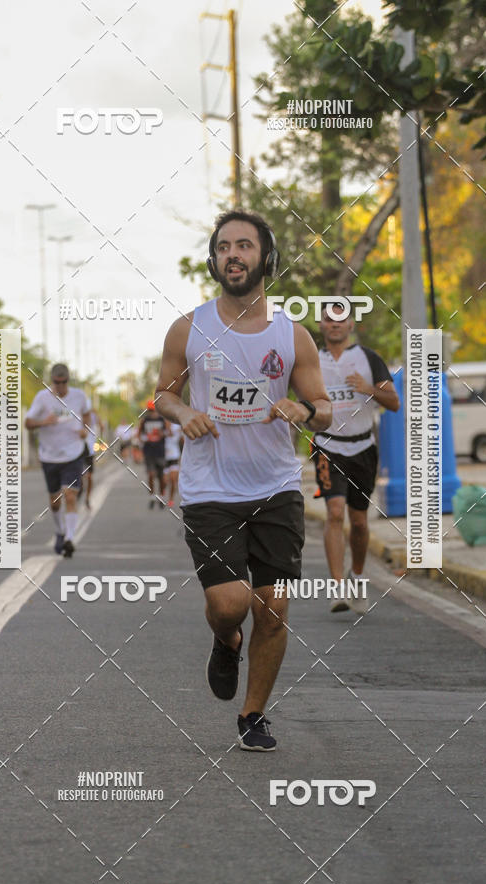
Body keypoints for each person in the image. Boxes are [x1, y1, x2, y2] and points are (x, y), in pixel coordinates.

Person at [155, 209, 332, 751]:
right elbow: (163, 394)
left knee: (273, 609)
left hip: (276, 486)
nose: (233, 254)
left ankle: (253, 715)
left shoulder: (292, 336)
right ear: (214, 260)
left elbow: (324, 407)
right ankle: (226, 639)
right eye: (224, 247)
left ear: (265, 258)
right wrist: (183, 414)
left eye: (245, 246)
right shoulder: (189, 328)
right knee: (231, 604)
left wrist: (303, 410)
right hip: (210, 487)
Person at [310, 302, 400, 613]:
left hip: (363, 449)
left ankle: (357, 579)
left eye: (340, 319)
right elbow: (303, 402)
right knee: (335, 513)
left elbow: (394, 403)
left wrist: (367, 388)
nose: (334, 324)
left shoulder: (368, 358)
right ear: (321, 325)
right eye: (328, 319)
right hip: (327, 446)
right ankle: (337, 588)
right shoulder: (311, 360)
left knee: (359, 522)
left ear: (351, 325)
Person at [25, 364, 91, 558]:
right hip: (49, 456)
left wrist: (84, 430)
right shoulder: (42, 398)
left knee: (69, 495)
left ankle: (70, 539)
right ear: (51, 381)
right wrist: (44, 422)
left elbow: (87, 414)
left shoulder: (79, 396)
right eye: (56, 383)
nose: (60, 386)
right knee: (55, 502)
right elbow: (28, 423)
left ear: (68, 381)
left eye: (64, 383)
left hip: (73, 454)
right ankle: (60, 531)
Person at [138, 400, 169, 509]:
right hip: (149, 452)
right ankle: (152, 497)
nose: (152, 413)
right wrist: (144, 439)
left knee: (161, 477)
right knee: (151, 474)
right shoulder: (144, 421)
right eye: (150, 411)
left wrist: (162, 433)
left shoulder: (162, 420)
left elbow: (168, 432)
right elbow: (139, 435)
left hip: (160, 451)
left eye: (153, 410)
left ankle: (161, 497)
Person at [82, 408, 101, 510]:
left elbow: (101, 425)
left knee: (89, 476)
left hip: (89, 451)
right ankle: (78, 493)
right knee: (79, 476)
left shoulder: (93, 417)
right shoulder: (76, 416)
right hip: (77, 451)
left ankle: (87, 498)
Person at [164, 421, 183, 507]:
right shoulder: (161, 425)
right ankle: (162, 492)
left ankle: (171, 499)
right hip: (164, 456)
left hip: (174, 455)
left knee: (173, 480)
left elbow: (182, 439)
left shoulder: (177, 426)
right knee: (165, 480)